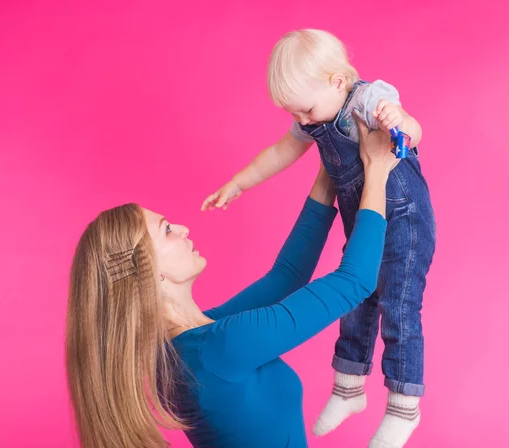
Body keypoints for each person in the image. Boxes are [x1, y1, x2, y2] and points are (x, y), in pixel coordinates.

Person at [66, 118, 396, 448]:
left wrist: (332, 160)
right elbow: (355, 280)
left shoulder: (187, 347)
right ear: (151, 273)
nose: (182, 229)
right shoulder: (217, 348)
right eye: (166, 230)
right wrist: (377, 166)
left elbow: (287, 276)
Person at [202, 29, 436, 447]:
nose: (304, 122)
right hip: (365, 220)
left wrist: (399, 123)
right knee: (358, 301)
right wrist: (239, 183)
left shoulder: (366, 99)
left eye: (306, 110)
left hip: (405, 218)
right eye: (296, 115)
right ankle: (349, 388)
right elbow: (280, 153)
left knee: (398, 307)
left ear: (337, 82)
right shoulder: (314, 117)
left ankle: (404, 405)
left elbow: (413, 131)